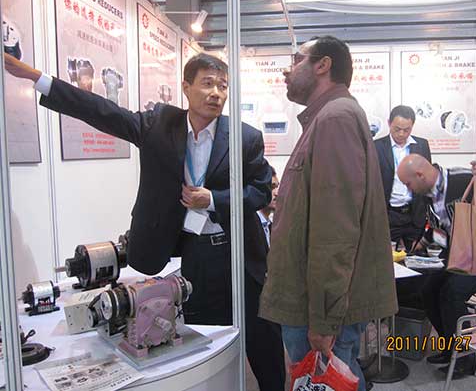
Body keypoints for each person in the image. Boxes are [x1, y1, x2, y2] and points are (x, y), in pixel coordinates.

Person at [4, 52, 285, 391]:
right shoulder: (159, 125)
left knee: (263, 341)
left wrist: (213, 200)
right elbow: (102, 111)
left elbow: (260, 192)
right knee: (206, 343)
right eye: (207, 84)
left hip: (238, 252)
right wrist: (39, 79)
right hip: (196, 254)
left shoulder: (244, 136)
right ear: (186, 87)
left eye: (223, 86)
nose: (216, 93)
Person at [259, 36, 398, 391]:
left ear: (323, 65)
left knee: (330, 378)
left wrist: (324, 320)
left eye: (296, 60)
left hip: (315, 308)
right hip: (313, 302)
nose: (287, 71)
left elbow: (335, 230)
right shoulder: (327, 118)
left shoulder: (335, 118)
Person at [397, 154, 476, 378]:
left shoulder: (464, 178)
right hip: (461, 253)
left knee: (452, 293)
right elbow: (440, 229)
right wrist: (420, 245)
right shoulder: (427, 196)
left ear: (420, 175)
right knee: (428, 290)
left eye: (408, 184)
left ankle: (464, 358)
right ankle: (450, 347)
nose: (408, 189)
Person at [375, 105, 431, 252]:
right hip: (389, 215)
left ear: (412, 126)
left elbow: (427, 180)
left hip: (414, 215)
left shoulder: (421, 146)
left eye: (406, 130)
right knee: (388, 259)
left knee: (416, 258)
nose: (401, 134)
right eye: (397, 129)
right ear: (389, 123)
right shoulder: (376, 147)